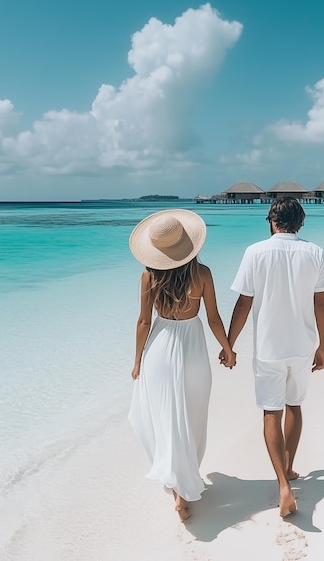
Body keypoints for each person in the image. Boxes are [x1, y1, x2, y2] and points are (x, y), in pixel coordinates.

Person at [220, 196, 324, 518]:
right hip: (302, 345)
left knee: (271, 412)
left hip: (268, 347)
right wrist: (323, 346)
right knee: (294, 406)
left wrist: (229, 344)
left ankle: (283, 483)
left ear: (272, 221)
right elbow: (321, 304)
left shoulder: (255, 252)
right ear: (300, 223)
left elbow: (243, 303)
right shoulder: (315, 252)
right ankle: (290, 467)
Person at [128, 209, 236, 521]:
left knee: (164, 419)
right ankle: (184, 484)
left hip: (159, 351)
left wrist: (137, 362)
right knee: (190, 417)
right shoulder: (202, 274)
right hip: (192, 349)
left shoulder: (150, 275)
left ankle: (177, 488)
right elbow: (213, 318)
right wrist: (228, 349)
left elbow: (143, 321)